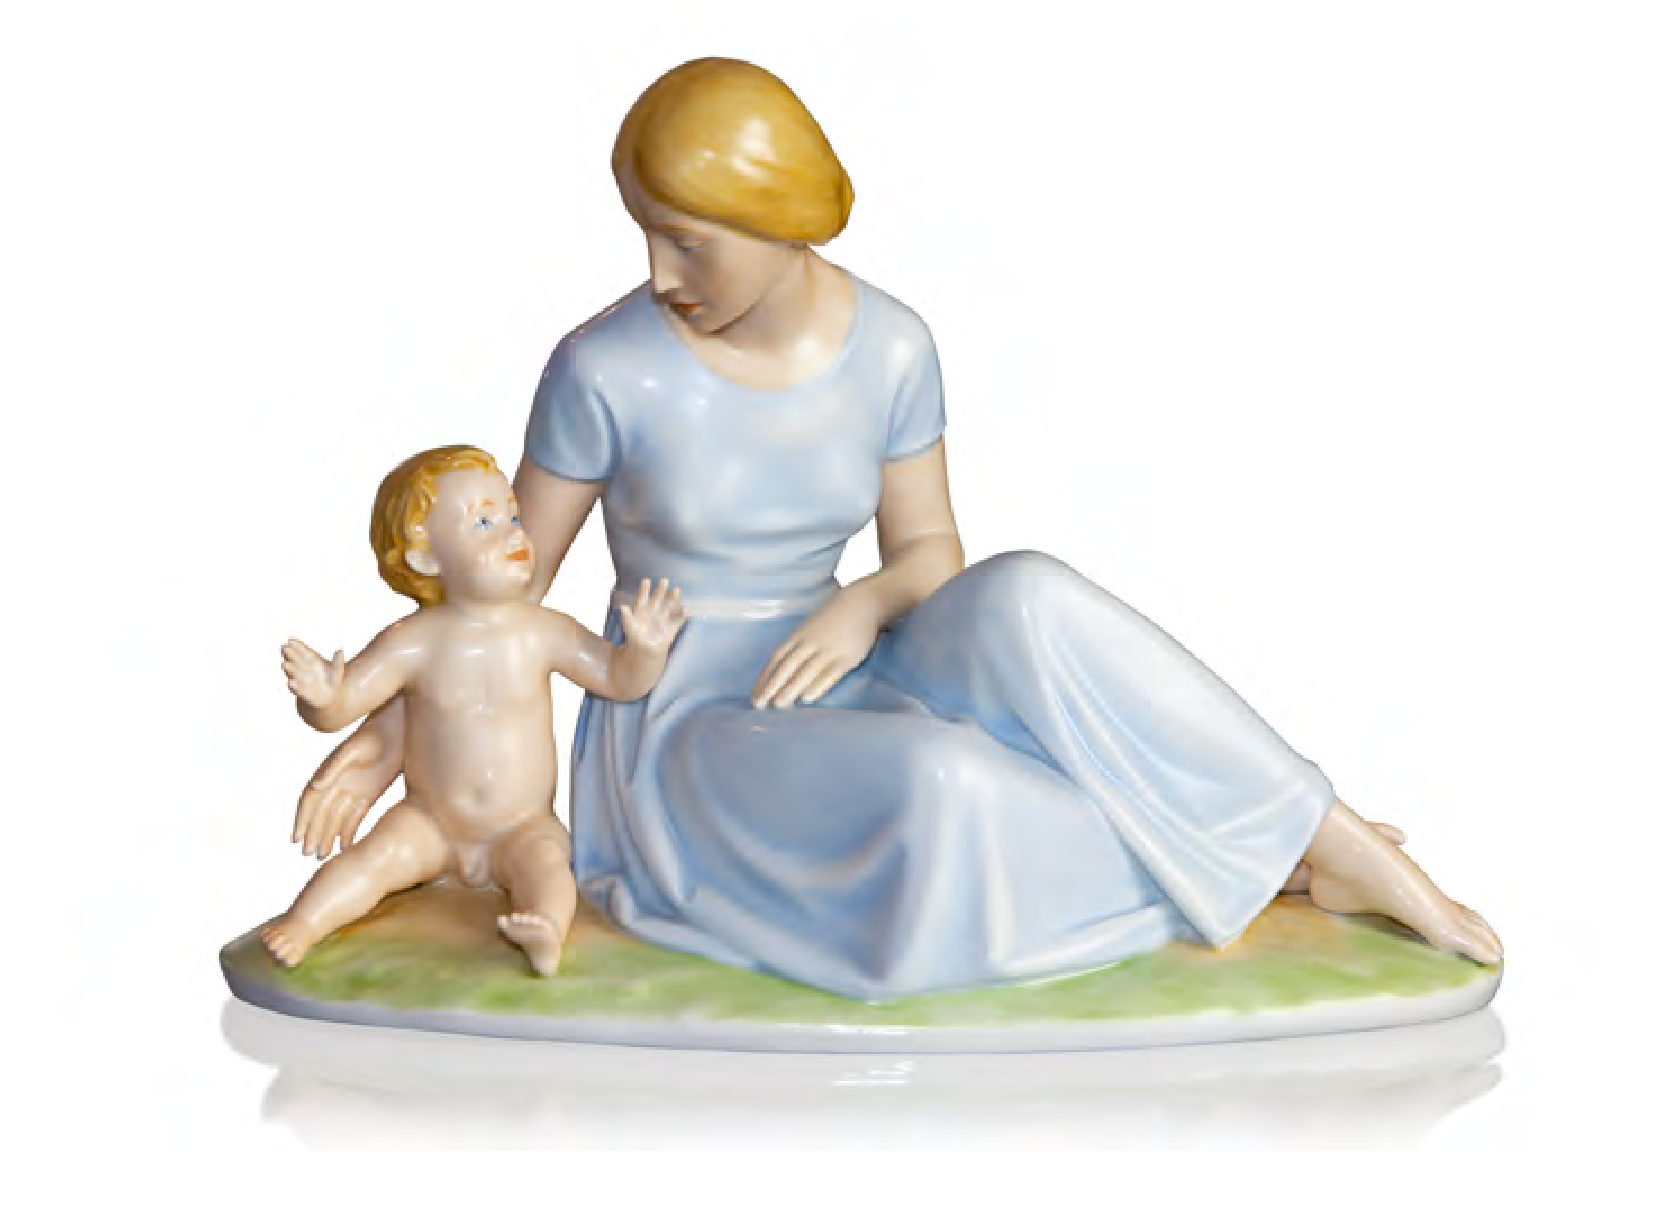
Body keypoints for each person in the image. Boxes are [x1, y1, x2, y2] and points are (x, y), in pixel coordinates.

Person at [298, 59, 1500, 1000]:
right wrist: (389, 730)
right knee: (946, 787)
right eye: (646, 233)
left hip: (851, 652)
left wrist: (859, 604)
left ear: (775, 217)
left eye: (688, 238)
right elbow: (500, 597)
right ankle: (1251, 847)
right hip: (692, 716)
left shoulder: (893, 345)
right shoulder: (604, 367)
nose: (660, 270)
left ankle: (1328, 833)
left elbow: (932, 557)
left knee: (1028, 589)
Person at [267, 445, 687, 976]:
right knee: (374, 860)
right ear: (426, 558)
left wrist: (645, 651)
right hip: (431, 822)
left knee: (547, 867)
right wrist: (322, 696)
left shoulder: (542, 631)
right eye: (484, 523)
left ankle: (545, 930)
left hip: (522, 825)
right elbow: (345, 706)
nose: (513, 533)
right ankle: (304, 924)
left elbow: (618, 679)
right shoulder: (413, 641)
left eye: (512, 515)